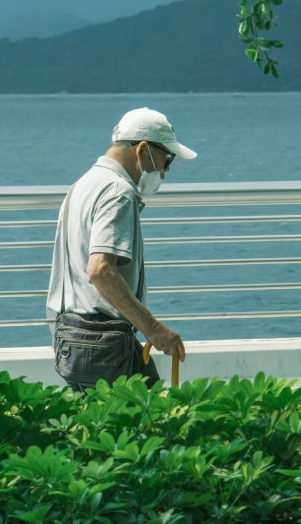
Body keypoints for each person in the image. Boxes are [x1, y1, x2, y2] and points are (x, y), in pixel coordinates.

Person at [46, 107, 197, 390]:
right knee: (151, 414)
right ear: (143, 149)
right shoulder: (118, 191)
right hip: (104, 343)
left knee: (108, 418)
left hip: (70, 337)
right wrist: (154, 330)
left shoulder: (82, 185)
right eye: (166, 159)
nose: (164, 170)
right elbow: (100, 270)